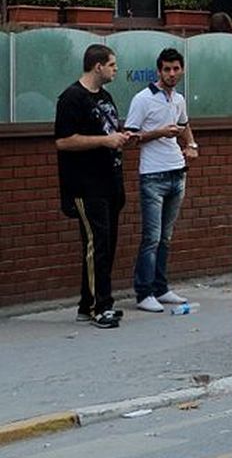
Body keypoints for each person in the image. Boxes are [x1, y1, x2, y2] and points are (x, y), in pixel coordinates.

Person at [54, 44, 133, 329]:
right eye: (112, 64)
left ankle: (87, 305)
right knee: (95, 244)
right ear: (97, 66)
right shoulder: (71, 98)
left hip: (110, 181)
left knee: (107, 244)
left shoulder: (106, 96)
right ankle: (102, 306)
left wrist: (120, 137)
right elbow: (63, 141)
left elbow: (107, 130)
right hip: (86, 186)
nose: (115, 69)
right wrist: (104, 141)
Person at [125, 48, 198, 313]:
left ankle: (161, 288)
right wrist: (159, 133)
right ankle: (143, 292)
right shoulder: (143, 99)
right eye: (166, 69)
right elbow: (130, 137)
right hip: (153, 176)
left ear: (182, 70)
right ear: (159, 71)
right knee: (151, 237)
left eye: (176, 69)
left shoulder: (178, 99)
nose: (171, 74)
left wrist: (191, 144)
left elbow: (184, 124)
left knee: (166, 237)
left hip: (177, 173)